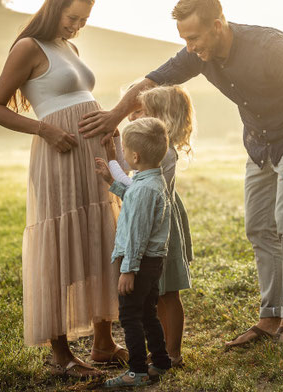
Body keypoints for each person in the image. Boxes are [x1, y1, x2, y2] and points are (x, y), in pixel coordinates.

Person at [78, 0, 283, 348]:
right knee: (259, 226)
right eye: (184, 39)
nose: (190, 47)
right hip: (259, 142)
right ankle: (269, 318)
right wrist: (114, 117)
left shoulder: (270, 47)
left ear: (217, 25)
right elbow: (150, 81)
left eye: (194, 38)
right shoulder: (200, 54)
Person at [0, 0, 126, 378]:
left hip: (93, 152)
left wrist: (106, 126)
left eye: (83, 21)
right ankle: (61, 354)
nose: (76, 26)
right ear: (55, 6)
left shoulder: (71, 47)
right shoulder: (28, 47)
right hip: (59, 154)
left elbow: (82, 98)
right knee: (60, 244)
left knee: (101, 238)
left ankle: (103, 343)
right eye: (72, 17)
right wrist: (43, 129)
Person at [106, 85, 194, 367]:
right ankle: (163, 350)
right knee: (157, 292)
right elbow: (132, 164)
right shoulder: (155, 154)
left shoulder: (166, 156)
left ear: (160, 118)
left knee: (169, 293)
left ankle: (173, 352)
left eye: (140, 113)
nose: (133, 118)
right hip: (154, 220)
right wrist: (116, 148)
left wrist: (112, 176)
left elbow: (137, 185)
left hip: (161, 227)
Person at [94, 117, 173, 387]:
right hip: (152, 263)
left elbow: (137, 235)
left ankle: (137, 371)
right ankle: (161, 362)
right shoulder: (151, 182)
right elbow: (132, 194)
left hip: (139, 264)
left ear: (135, 156)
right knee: (148, 312)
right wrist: (110, 175)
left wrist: (128, 270)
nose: (125, 155)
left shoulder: (143, 190)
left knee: (130, 316)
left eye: (126, 151)